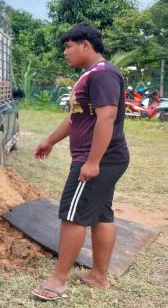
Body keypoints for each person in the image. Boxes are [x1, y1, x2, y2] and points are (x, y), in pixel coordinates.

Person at [32, 23, 129, 301]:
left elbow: (107, 117)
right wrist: (50, 140)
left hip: (98, 157)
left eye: (68, 46)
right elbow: (76, 117)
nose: (66, 52)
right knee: (101, 214)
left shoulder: (103, 74)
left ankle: (58, 281)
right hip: (104, 157)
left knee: (72, 214)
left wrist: (93, 161)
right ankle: (98, 276)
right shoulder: (89, 76)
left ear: (86, 45)